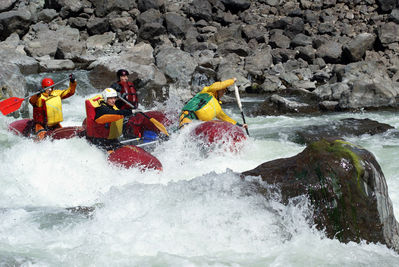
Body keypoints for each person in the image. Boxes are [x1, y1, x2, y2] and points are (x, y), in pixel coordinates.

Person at [179, 78, 248, 130]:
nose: (223, 92)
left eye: (224, 91)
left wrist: (240, 125)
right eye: (222, 90)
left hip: (197, 124)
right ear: (218, 90)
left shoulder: (217, 107)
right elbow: (219, 85)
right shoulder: (208, 91)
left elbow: (226, 118)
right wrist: (232, 80)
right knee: (184, 132)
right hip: (188, 117)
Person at [29, 74, 77, 140]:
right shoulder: (38, 97)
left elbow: (70, 92)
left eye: (51, 87)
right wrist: (37, 93)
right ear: (43, 87)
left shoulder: (56, 93)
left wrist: (72, 82)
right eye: (47, 87)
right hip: (41, 125)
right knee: (42, 140)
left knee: (64, 139)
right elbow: (32, 101)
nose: (50, 89)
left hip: (55, 124)